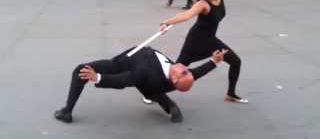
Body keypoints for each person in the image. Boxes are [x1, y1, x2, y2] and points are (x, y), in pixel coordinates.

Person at [54, 46, 228, 123]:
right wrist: (214, 61)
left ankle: (66, 112)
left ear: (175, 80)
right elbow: (196, 73)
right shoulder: (177, 73)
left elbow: (125, 79)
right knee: (152, 91)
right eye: (187, 71)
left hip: (122, 65)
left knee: (80, 71)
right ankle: (170, 105)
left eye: (184, 72)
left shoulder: (145, 72)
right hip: (151, 82)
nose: (185, 68)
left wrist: (97, 76)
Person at [160, 0, 249, 103]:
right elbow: (187, 15)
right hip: (194, 42)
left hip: (210, 41)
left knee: (236, 61)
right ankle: (151, 91)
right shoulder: (202, 4)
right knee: (176, 71)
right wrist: (167, 21)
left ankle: (230, 94)